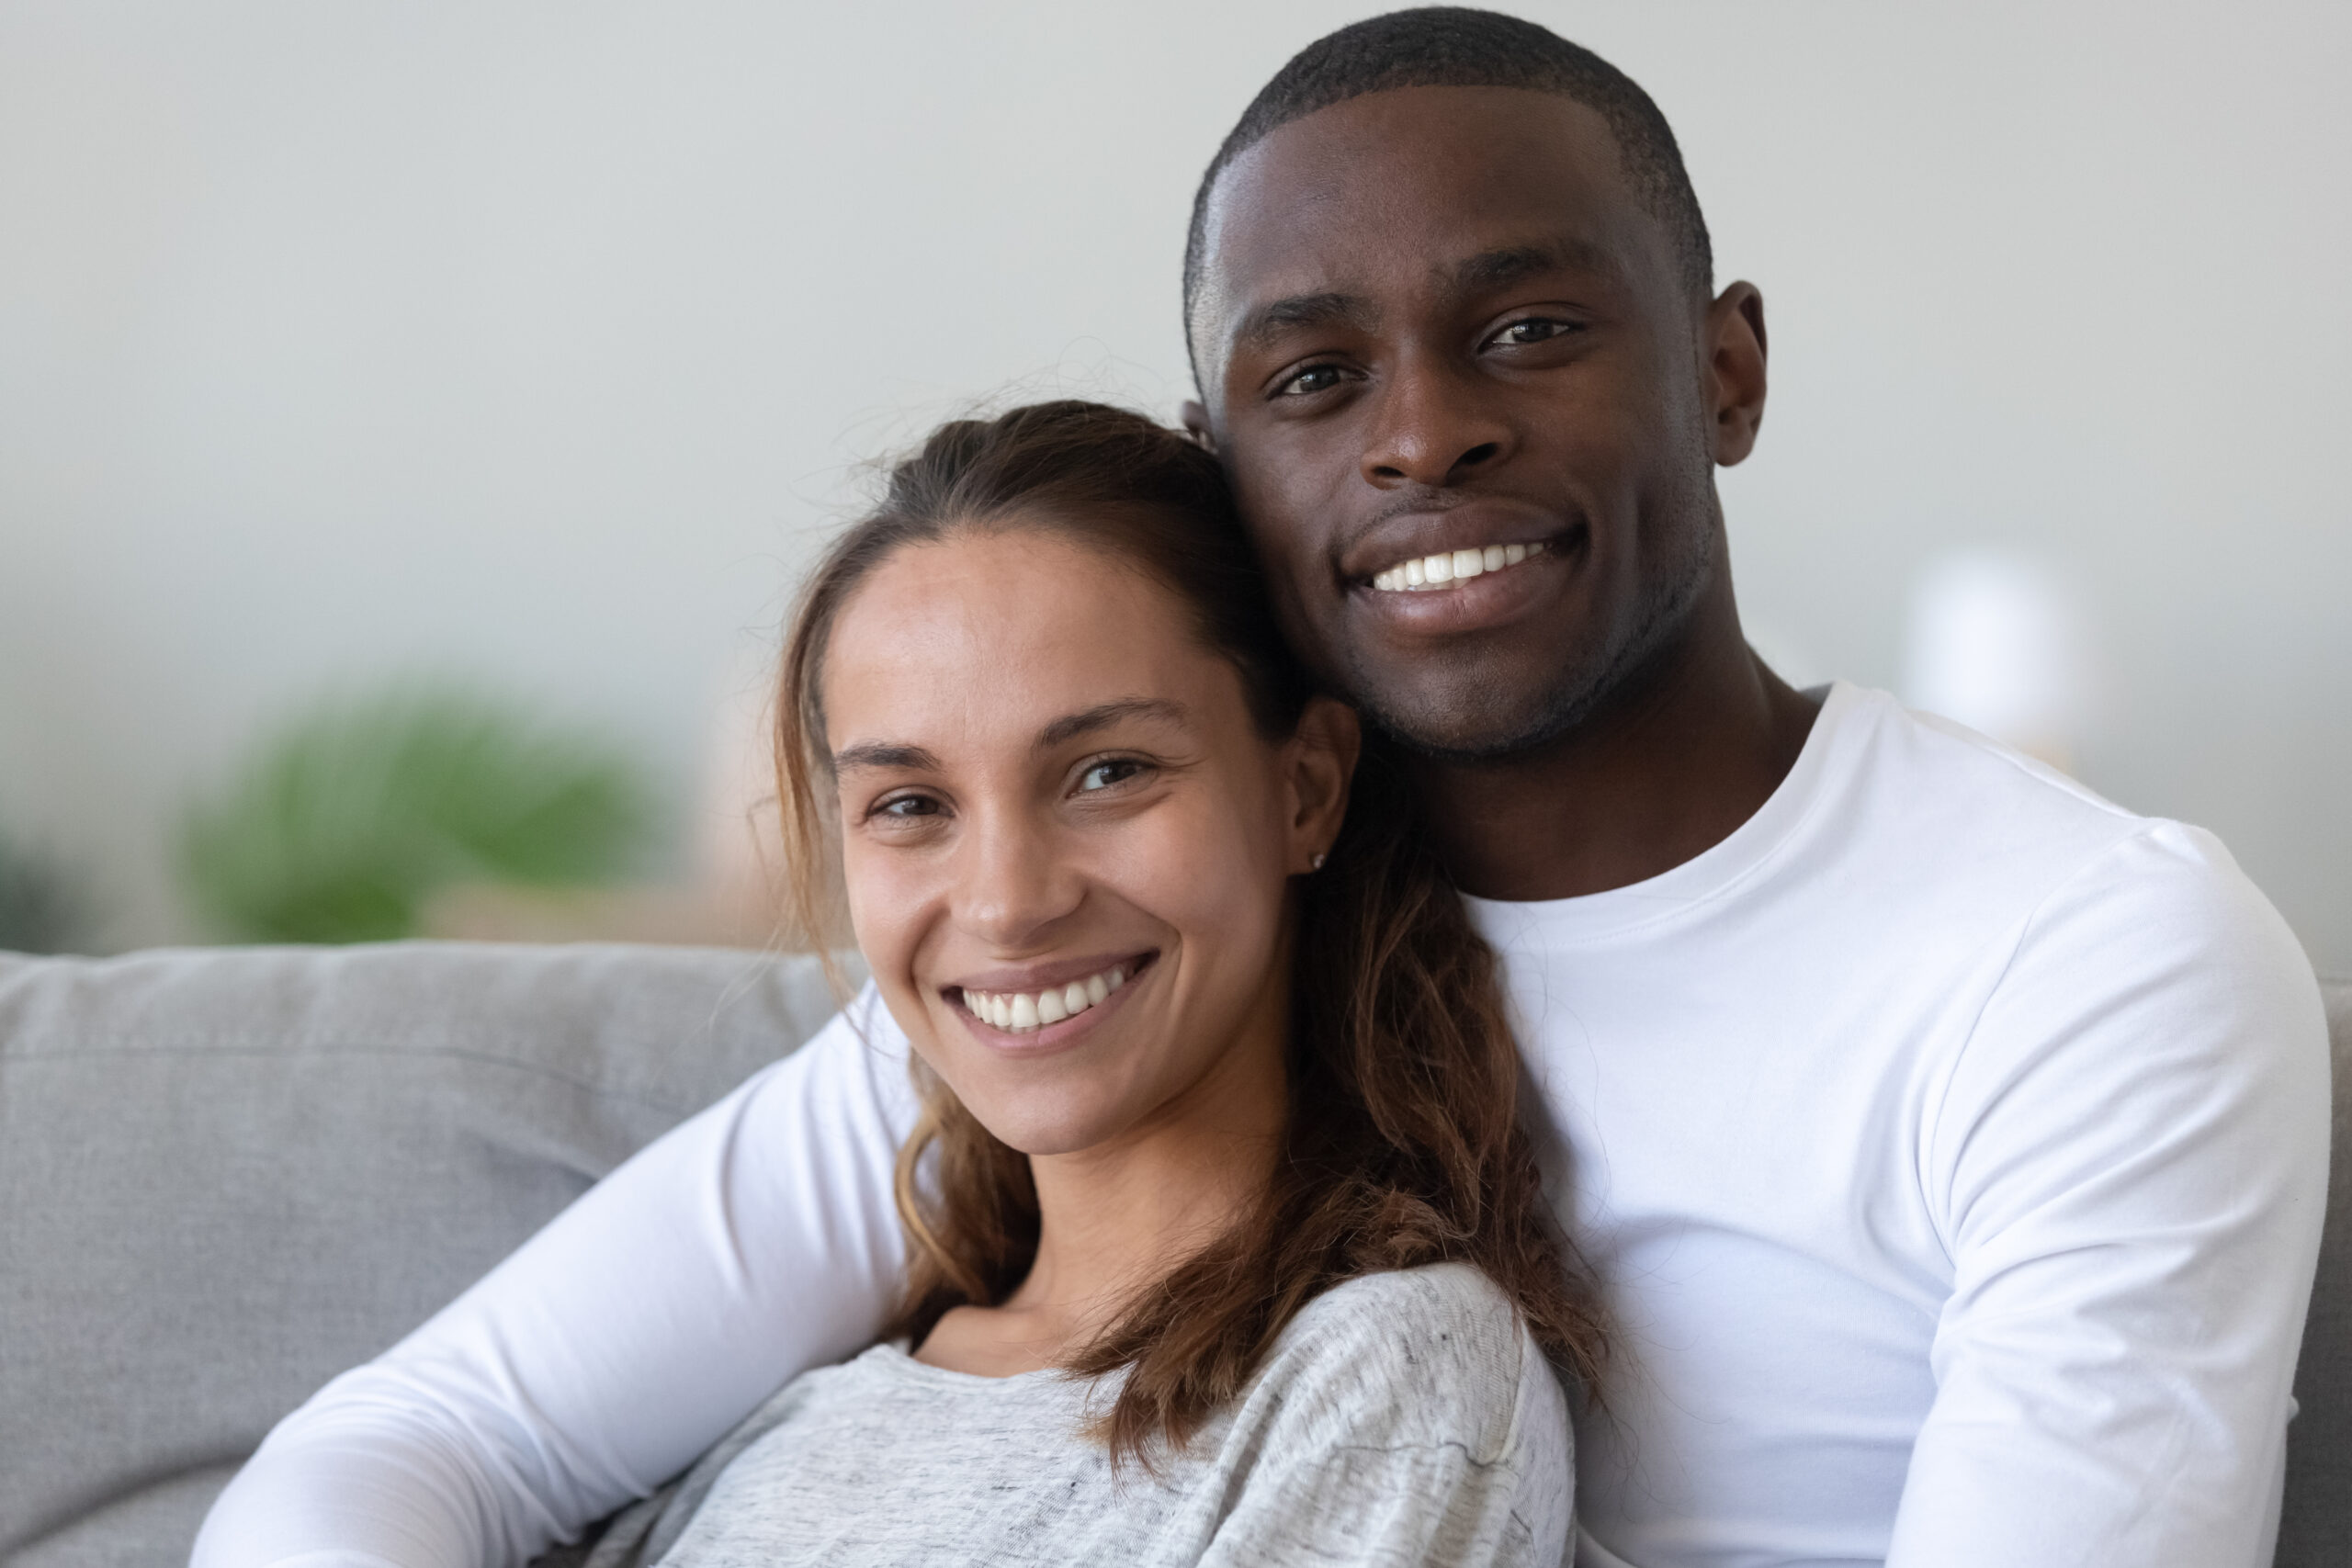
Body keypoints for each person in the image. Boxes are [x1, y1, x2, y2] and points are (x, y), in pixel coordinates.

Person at [197, 9, 2331, 1567]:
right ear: (1233, 462)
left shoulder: (2085, 957)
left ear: (1727, 368)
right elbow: (419, 1444)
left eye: (1525, 331)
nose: (1418, 438)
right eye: (1312, 378)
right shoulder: (1148, 927)